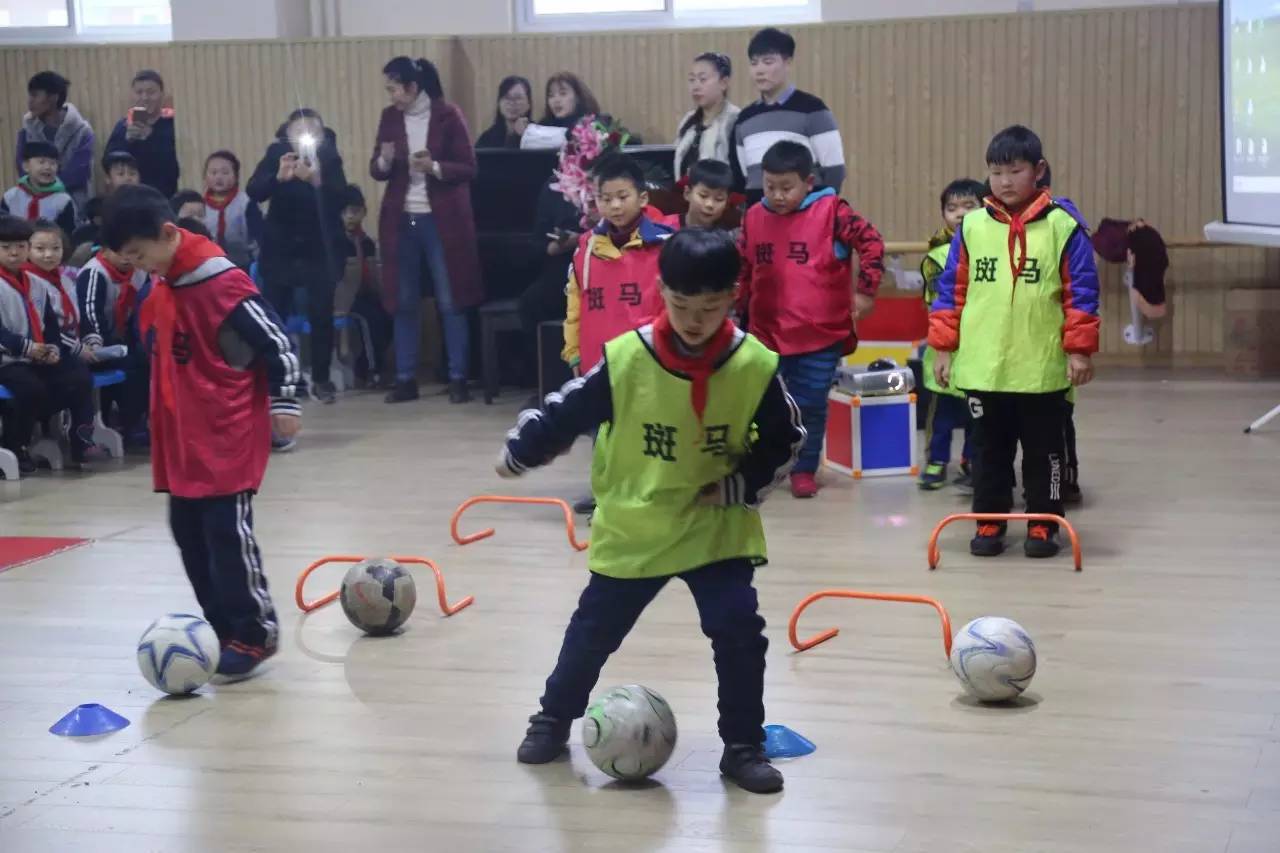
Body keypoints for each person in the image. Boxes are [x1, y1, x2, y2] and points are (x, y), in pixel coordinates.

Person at [498, 228, 803, 793]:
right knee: (593, 631)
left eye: (709, 308)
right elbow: (567, 411)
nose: (694, 320)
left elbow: (785, 441)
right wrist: (526, 448)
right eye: (682, 305)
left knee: (739, 631)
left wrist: (740, 484)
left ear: (732, 297)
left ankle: (743, 747)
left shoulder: (754, 364)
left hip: (714, 526)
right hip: (636, 523)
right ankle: (552, 718)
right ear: (661, 291)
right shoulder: (627, 358)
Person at [101, 184, 302, 678]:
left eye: (139, 254)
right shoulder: (164, 284)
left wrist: (285, 399)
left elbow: (277, 342)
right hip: (182, 439)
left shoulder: (221, 282)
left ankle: (255, 632)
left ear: (168, 233)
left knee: (226, 534)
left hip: (224, 434)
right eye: (128, 259)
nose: (137, 266)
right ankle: (220, 628)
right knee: (187, 532)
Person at [929, 125, 1100, 559]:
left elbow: (1081, 293)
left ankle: (1044, 524)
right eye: (996, 172)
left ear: (1038, 170)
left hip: (1041, 370)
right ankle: (989, 519)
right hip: (983, 369)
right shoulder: (972, 226)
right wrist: (944, 347)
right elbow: (951, 291)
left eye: (1015, 171)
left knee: (1046, 454)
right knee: (988, 452)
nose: (1004, 181)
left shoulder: (1064, 226)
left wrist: (1079, 350)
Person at [738, 141, 884, 498]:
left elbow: (871, 242)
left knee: (810, 406)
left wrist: (865, 292)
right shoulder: (753, 217)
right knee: (761, 405)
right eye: (770, 186)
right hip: (765, 334)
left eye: (786, 187)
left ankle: (804, 468)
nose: (777, 195)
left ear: (808, 182)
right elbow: (743, 269)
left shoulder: (832, 211)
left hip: (820, 335)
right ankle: (767, 463)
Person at [371, 56, 484, 405]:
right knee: (403, 299)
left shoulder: (448, 115)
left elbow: (469, 167)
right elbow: (377, 169)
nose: (391, 96)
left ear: (412, 87)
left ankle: (458, 377)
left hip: (442, 219)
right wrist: (384, 160)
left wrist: (433, 166)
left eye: (394, 88)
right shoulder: (390, 118)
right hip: (403, 218)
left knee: (450, 300)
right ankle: (405, 379)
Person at [247, 107, 349, 405]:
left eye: (313, 130)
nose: (306, 136)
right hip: (281, 248)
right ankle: (277, 377)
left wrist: (316, 181)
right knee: (274, 315)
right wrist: (278, 178)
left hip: (319, 248)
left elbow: (342, 199)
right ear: (287, 133)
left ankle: (321, 379)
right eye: (299, 131)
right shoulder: (276, 154)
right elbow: (254, 191)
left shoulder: (329, 157)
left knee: (321, 315)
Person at [562, 154, 672, 378]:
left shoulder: (667, 247)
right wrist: (573, 352)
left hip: (650, 367)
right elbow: (575, 304)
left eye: (623, 197)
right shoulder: (585, 249)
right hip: (596, 367)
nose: (615, 206)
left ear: (642, 198)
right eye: (605, 198)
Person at [0, 215, 95, 474]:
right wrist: (27, 348)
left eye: (20, 246)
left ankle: (80, 440)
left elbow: (50, 327)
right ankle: (15, 445)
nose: (14, 253)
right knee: (30, 387)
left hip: (33, 355)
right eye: (6, 247)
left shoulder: (37, 285)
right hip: (7, 360)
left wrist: (52, 349)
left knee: (77, 374)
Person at [918, 178, 985, 491]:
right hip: (944, 352)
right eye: (952, 208)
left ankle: (971, 461)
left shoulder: (993, 247)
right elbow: (936, 305)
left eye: (969, 206)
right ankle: (936, 461)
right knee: (940, 416)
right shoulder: (937, 257)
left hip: (980, 352)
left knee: (977, 414)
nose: (960, 213)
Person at [728, 28, 846, 204]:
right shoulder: (744, 119)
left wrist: (819, 210)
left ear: (787, 62)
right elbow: (745, 176)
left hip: (807, 212)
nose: (759, 70)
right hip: (759, 212)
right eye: (754, 63)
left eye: (768, 62)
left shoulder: (813, 109)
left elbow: (834, 170)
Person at [76, 236, 152, 445]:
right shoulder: (94, 273)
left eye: (131, 252)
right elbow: (90, 317)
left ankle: (138, 420)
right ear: (105, 250)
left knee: (149, 359)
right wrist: (104, 346)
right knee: (132, 366)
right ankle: (127, 423)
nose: (127, 258)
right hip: (96, 344)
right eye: (120, 252)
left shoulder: (141, 271)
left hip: (127, 340)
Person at [16, 71, 95, 216]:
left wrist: (47, 192)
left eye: (35, 95)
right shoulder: (27, 130)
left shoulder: (83, 131)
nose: (29, 101)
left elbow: (78, 174)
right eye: (30, 95)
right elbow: (22, 167)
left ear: (53, 98)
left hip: (73, 206)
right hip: (34, 204)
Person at [338, 184, 392, 385]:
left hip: (366, 295)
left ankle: (365, 365)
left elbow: (374, 276)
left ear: (363, 212)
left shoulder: (367, 243)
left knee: (390, 314)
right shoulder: (336, 242)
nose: (350, 216)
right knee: (370, 320)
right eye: (345, 211)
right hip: (344, 300)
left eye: (355, 211)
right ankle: (373, 371)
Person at [105, 70, 179, 198]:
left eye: (151, 92)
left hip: (165, 195)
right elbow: (107, 161)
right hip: (131, 196)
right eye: (139, 92)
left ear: (162, 94)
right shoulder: (123, 126)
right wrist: (127, 140)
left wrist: (151, 138)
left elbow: (175, 164)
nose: (144, 98)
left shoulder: (172, 124)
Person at [25, 219, 89, 364]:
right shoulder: (28, 282)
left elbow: (79, 314)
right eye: (40, 249)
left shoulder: (65, 280)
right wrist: (76, 348)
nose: (49, 255)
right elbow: (44, 328)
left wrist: (91, 338)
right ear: (27, 250)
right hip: (48, 349)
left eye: (56, 248)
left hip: (74, 343)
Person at [674, 52, 740, 181]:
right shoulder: (688, 120)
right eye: (692, 80)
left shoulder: (735, 119)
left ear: (724, 83)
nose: (695, 86)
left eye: (702, 79)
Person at [201, 150, 262, 269]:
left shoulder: (246, 203)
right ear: (205, 177)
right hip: (209, 266)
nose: (219, 177)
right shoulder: (200, 205)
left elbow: (257, 238)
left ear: (235, 176)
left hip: (243, 265)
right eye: (213, 172)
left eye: (225, 172)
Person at [3, 141, 77, 236]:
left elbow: (66, 235)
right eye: (41, 162)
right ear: (26, 166)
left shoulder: (63, 201)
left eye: (53, 163)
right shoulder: (10, 197)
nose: (48, 167)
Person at [521, 72, 602, 150]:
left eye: (563, 93)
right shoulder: (542, 127)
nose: (556, 100)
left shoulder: (592, 125)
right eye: (551, 95)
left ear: (578, 97)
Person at [666, 159, 735, 230]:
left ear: (727, 202)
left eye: (719, 199)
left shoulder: (726, 235)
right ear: (687, 193)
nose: (710, 205)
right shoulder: (665, 228)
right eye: (703, 196)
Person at [476, 76, 534, 149]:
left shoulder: (538, 135)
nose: (512, 103)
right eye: (507, 97)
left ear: (528, 104)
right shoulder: (487, 138)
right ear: (499, 103)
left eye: (518, 98)